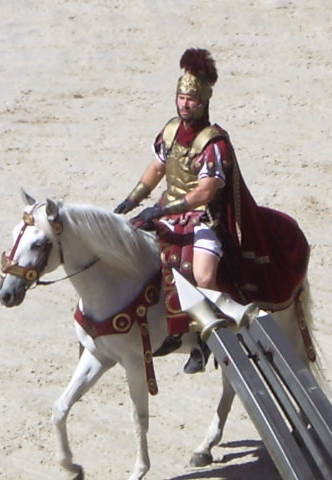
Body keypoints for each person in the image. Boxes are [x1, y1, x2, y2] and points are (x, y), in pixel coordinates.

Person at [114, 48, 231, 374]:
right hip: (166, 211)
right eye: (181, 97)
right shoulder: (169, 132)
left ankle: (210, 338)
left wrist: (163, 209)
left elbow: (205, 191)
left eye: (191, 99)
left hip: (204, 217)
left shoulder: (212, 143)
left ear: (204, 101)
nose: (184, 104)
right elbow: (157, 169)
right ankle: (170, 329)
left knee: (203, 274)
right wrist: (134, 198)